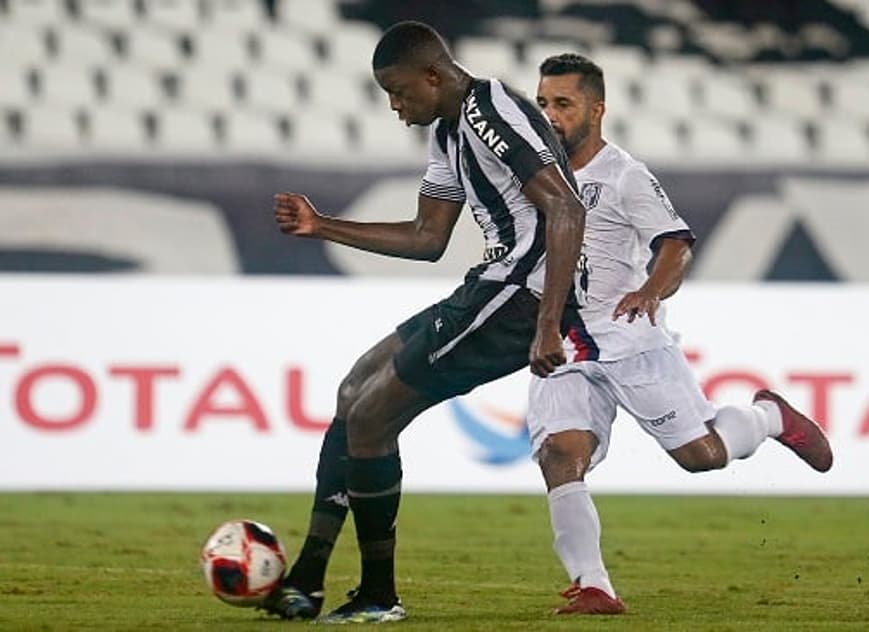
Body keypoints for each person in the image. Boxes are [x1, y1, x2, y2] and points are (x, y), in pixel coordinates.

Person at [263, 22, 588, 623]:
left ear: (433, 75)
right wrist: (322, 225)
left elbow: (567, 205)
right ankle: (307, 579)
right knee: (353, 390)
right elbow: (426, 237)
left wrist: (548, 323)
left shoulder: (488, 109)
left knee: (370, 416)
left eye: (399, 91)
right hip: (492, 286)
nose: (394, 106)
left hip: (521, 295)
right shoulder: (448, 130)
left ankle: (379, 596)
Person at [528, 53, 833, 615]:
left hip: (630, 339)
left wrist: (651, 291)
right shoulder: (536, 177)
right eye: (543, 103)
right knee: (558, 455)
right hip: (563, 342)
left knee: (701, 456)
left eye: (563, 105)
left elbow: (675, 244)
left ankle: (768, 417)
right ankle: (595, 586)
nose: (550, 115)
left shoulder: (624, 175)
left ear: (596, 110)